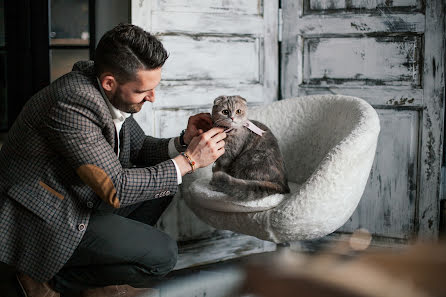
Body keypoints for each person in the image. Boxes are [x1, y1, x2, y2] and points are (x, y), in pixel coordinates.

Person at [0, 24, 226, 297]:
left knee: (163, 183)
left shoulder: (105, 90)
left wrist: (182, 143)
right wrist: (189, 161)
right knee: (163, 255)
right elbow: (115, 187)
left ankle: (101, 277)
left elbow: (139, 147)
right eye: (144, 91)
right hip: (47, 216)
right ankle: (49, 282)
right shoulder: (73, 103)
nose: (152, 98)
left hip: (78, 197)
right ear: (110, 82)